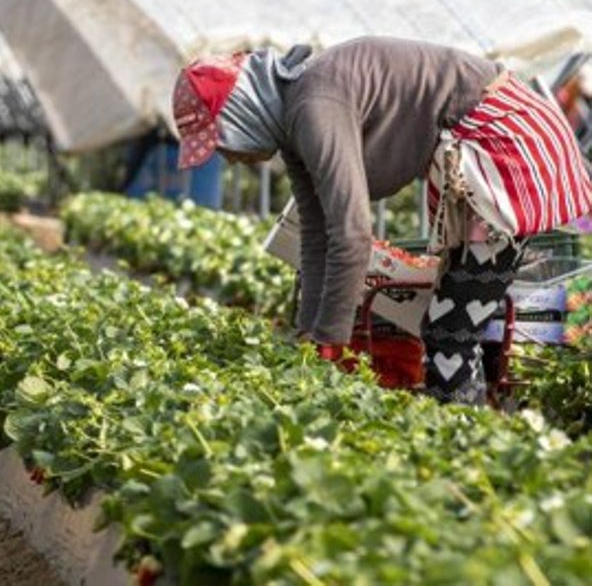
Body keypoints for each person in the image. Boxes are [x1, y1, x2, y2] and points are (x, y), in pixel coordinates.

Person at [172, 36, 592, 405]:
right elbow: (317, 235)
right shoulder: (296, 121)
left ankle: (471, 447)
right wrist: (309, 336)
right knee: (452, 324)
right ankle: (473, 424)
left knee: (450, 334)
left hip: (504, 146)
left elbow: (352, 236)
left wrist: (329, 345)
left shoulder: (315, 106)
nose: (229, 157)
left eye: (221, 140)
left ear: (241, 113)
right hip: (477, 155)